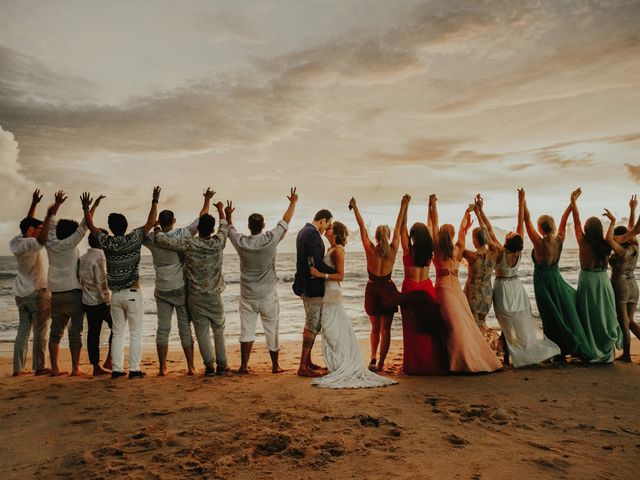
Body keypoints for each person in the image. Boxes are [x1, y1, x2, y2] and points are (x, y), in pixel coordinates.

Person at [81, 188, 159, 379]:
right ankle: (134, 369)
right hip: (133, 293)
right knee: (135, 333)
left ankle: (117, 369)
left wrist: (86, 207)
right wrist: (154, 200)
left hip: (115, 296)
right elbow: (150, 222)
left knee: (117, 333)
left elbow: (90, 226)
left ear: (112, 227)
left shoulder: (106, 241)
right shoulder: (134, 238)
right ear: (125, 226)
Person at [309, 222, 397, 388]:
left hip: (332, 294)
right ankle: (337, 363)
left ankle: (343, 363)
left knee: (332, 329)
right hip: (328, 293)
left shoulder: (339, 251)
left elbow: (340, 276)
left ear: (335, 233)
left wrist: (320, 274)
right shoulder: (330, 250)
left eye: (329, 228)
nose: (326, 229)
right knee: (330, 330)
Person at [478, 190, 560, 367]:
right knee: (518, 321)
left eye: (509, 234)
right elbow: (520, 224)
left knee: (507, 323)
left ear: (507, 241)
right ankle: (513, 354)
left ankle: (510, 357)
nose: (510, 231)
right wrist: (521, 201)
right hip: (516, 287)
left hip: (502, 288)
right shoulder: (519, 250)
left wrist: (480, 211)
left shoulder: (500, 252)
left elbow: (488, 231)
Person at [154, 201, 232, 376]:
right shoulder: (218, 242)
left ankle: (209, 366)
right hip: (214, 295)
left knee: (201, 330)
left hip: (195, 296)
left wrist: (158, 229)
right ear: (212, 230)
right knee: (219, 329)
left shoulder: (189, 243)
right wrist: (221, 210)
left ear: (198, 227)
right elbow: (224, 226)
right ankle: (222, 365)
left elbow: (163, 241)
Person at [144, 189, 215, 376]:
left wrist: (154, 210)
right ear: (174, 221)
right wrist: (207, 199)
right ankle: (191, 367)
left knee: (163, 328)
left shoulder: (151, 238)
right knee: (184, 326)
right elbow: (202, 219)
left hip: (161, 289)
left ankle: (162, 368)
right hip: (179, 288)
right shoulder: (183, 234)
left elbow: (146, 227)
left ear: (161, 222)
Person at [228, 188, 298, 374]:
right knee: (272, 329)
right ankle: (275, 366)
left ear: (249, 226)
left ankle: (244, 366)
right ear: (263, 225)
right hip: (267, 294)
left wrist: (225, 214)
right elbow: (285, 221)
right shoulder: (271, 239)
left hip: (248, 295)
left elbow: (230, 230)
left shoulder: (242, 242)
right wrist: (293, 202)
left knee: (246, 329)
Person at [430, 195, 502, 373]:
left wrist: (431, 207)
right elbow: (463, 231)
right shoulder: (460, 248)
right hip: (459, 291)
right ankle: (470, 354)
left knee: (453, 325)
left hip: (443, 288)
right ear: (453, 235)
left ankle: (458, 360)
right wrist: (468, 212)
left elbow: (433, 226)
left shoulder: (438, 249)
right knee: (466, 323)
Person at [522, 189, 592, 361]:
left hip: (543, 282)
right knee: (560, 313)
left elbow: (526, 220)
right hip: (556, 279)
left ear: (540, 228)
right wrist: (572, 201)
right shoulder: (559, 239)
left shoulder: (538, 242)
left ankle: (556, 351)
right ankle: (560, 350)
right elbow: (564, 218)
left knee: (549, 316)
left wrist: (522, 200)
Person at [38, 190, 99, 376]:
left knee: (56, 333)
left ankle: (55, 368)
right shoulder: (70, 243)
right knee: (76, 333)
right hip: (73, 294)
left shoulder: (51, 242)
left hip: (56, 295)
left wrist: (56, 204)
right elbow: (84, 226)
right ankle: (75, 368)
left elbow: (51, 219)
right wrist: (90, 207)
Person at [348, 195, 405, 372]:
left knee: (374, 329)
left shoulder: (370, 249)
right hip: (387, 289)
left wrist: (355, 207)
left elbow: (362, 227)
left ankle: (373, 357)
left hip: (373, 289)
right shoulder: (393, 249)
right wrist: (404, 205)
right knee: (385, 329)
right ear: (387, 236)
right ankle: (381, 363)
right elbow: (398, 228)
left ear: (376, 236)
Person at [570, 189, 621, 363]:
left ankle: (591, 349)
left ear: (586, 229)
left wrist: (573, 201)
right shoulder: (606, 244)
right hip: (603, 281)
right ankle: (606, 350)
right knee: (604, 315)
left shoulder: (583, 242)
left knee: (589, 317)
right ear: (600, 229)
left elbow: (576, 220)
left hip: (587, 281)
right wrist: (613, 222)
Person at [398, 195, 447, 375]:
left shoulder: (408, 249)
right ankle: (430, 364)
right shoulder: (430, 249)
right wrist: (431, 206)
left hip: (411, 288)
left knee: (412, 329)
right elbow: (433, 226)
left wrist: (404, 206)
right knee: (429, 328)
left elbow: (400, 227)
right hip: (427, 288)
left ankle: (415, 365)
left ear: (412, 236)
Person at [10, 189, 51, 376]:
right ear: (32, 232)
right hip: (36, 292)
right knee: (41, 331)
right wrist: (49, 216)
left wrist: (34, 204)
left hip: (21, 293)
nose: (43, 233)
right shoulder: (31, 243)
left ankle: (18, 369)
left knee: (23, 331)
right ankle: (39, 367)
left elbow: (27, 224)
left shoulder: (17, 242)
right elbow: (40, 239)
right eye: (39, 230)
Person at [292, 209, 336, 377]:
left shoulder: (303, 231)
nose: (327, 229)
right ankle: (303, 366)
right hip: (311, 286)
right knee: (313, 324)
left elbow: (310, 260)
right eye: (328, 224)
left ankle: (308, 362)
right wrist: (335, 271)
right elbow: (315, 263)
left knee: (311, 322)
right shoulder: (312, 234)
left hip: (304, 284)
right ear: (322, 220)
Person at [606, 195, 640, 362]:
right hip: (634, 285)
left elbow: (611, 239)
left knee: (624, 321)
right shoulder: (635, 246)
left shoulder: (619, 250)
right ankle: (626, 352)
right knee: (631, 320)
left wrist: (612, 224)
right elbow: (631, 228)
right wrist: (632, 209)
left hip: (621, 285)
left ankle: (626, 354)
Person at [78, 226, 113, 375]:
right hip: (101, 301)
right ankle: (109, 360)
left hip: (87, 301)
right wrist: (107, 300)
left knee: (93, 333)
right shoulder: (100, 256)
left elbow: (80, 280)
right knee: (117, 326)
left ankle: (96, 366)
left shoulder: (83, 258)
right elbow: (102, 282)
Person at [463, 195, 500, 332]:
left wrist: (466, 223)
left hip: (472, 293)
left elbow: (457, 246)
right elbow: (487, 230)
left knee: (473, 326)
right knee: (482, 322)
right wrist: (479, 213)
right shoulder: (494, 252)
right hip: (487, 294)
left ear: (475, 240)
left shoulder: (471, 255)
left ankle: (480, 350)